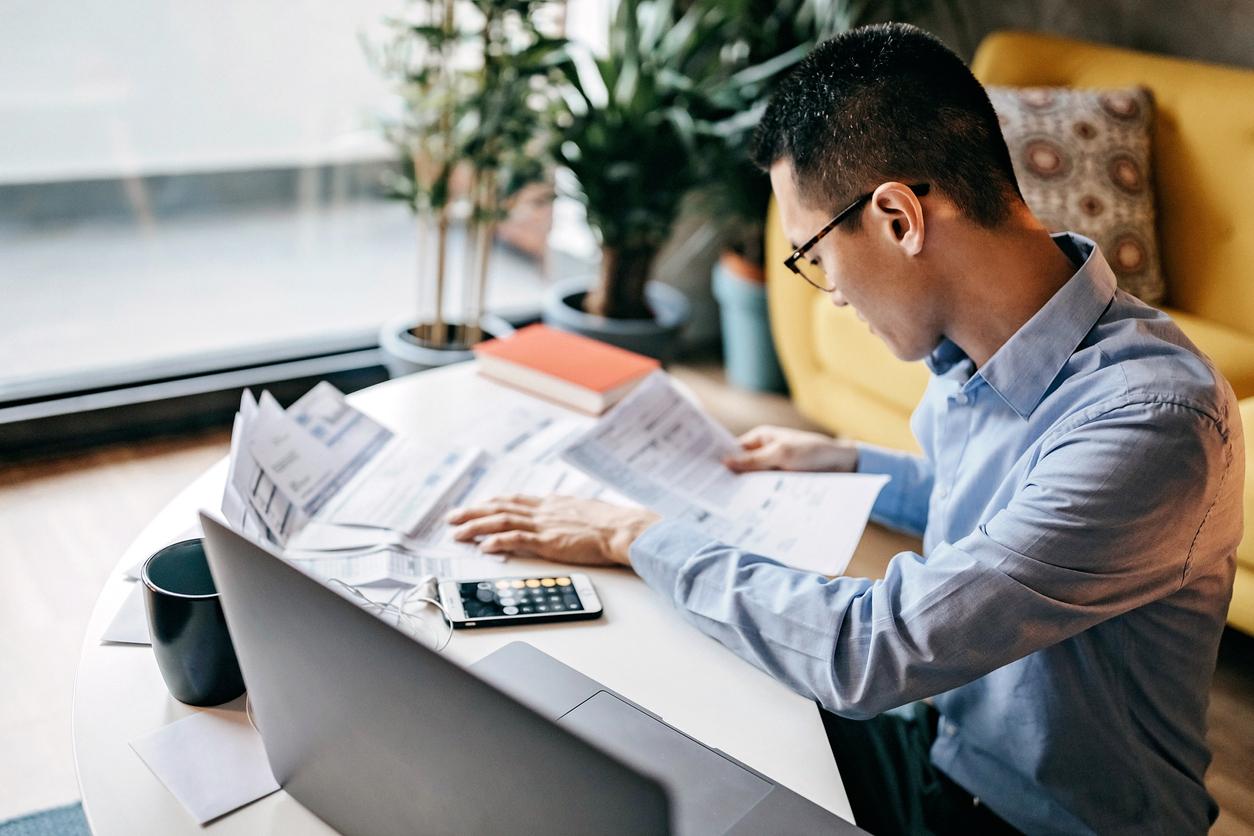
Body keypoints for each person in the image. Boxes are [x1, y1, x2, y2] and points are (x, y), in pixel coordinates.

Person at [446, 22, 1243, 835]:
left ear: (899, 217)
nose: (827, 292)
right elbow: (1001, 508)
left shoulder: (1153, 423)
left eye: (812, 255)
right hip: (948, 753)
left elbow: (873, 650)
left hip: (1035, 822)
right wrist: (841, 460)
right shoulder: (981, 352)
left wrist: (637, 535)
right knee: (671, 735)